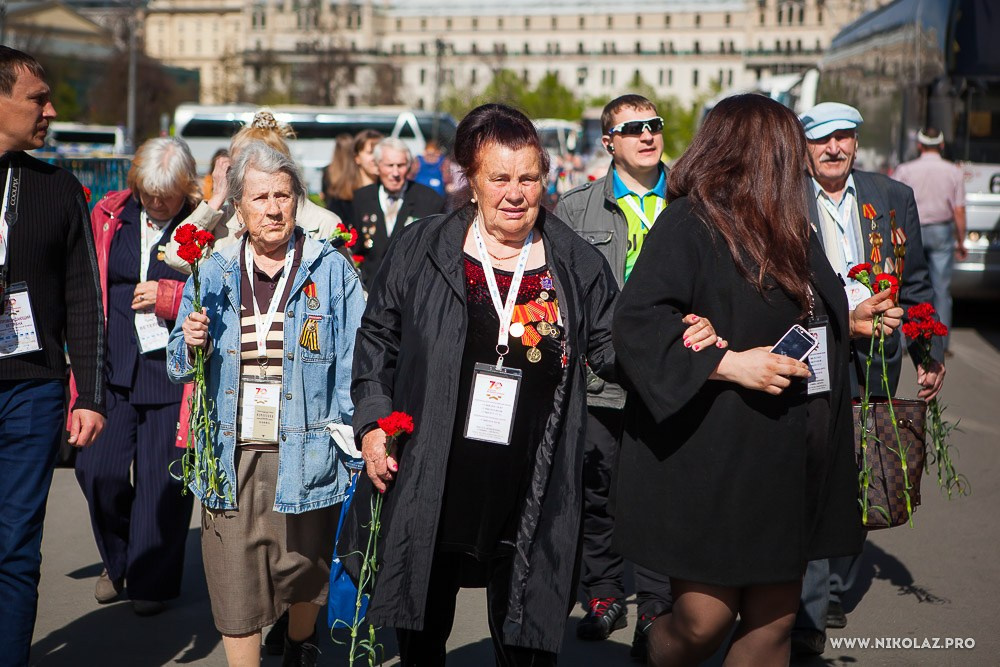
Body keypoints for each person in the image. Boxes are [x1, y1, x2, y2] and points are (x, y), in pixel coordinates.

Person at [338, 103, 720, 665]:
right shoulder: (424, 248)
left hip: (532, 478)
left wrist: (675, 340)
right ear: (471, 181)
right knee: (421, 630)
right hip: (433, 467)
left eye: (528, 178)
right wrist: (373, 425)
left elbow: (612, 348)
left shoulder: (574, 261)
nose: (515, 193)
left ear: (545, 179)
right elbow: (378, 341)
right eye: (499, 178)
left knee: (525, 638)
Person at [611, 94, 903, 666]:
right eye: (788, 146)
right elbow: (637, 324)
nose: (800, 157)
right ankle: (651, 651)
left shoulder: (790, 223)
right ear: (758, 152)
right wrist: (729, 364)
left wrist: (851, 319)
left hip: (792, 454)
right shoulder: (689, 223)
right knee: (702, 623)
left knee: (773, 626)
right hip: (715, 456)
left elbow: (795, 314)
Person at [167, 141, 365, 667]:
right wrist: (189, 341)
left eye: (283, 195)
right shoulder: (210, 273)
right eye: (260, 197)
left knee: (305, 570)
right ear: (238, 206)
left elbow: (355, 362)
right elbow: (177, 365)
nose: (273, 208)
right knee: (232, 577)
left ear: (299, 199)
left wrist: (358, 438)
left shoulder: (332, 271)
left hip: (306, 448)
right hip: (228, 452)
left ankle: (299, 643)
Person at [793, 102, 945, 656]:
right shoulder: (787, 196)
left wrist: (929, 351)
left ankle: (834, 581)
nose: (833, 149)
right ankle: (808, 608)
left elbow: (919, 285)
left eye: (843, 138)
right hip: (813, 348)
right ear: (804, 147)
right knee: (815, 464)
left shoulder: (891, 197)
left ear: (856, 143)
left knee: (863, 464)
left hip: (877, 352)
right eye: (821, 140)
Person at [555, 94, 676, 660]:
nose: (648, 136)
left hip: (672, 378)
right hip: (598, 380)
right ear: (609, 142)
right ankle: (603, 593)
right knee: (596, 490)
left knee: (658, 491)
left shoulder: (690, 203)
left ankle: (657, 602)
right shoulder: (575, 210)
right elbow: (555, 294)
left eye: (654, 126)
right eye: (633, 129)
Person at [0, 46, 106, 666]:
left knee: (16, 547)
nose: (51, 109)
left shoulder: (57, 188)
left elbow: (84, 301)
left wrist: (88, 393)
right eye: (37, 98)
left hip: (33, 390)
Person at [75, 137, 199, 617]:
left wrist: (169, 295)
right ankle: (121, 556)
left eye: (166, 193)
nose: (157, 201)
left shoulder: (202, 225)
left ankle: (151, 581)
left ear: (184, 187)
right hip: (114, 365)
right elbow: (87, 279)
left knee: (162, 483)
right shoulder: (110, 213)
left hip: (172, 371)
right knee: (97, 470)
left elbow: (219, 288)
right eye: (148, 191)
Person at [163, 111, 342, 275]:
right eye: (236, 168)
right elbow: (176, 256)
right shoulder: (223, 220)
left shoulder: (322, 223)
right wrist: (215, 200)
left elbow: (348, 291)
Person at [892, 127, 966, 352]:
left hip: (911, 230)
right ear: (942, 145)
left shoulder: (905, 170)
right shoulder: (954, 171)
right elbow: (959, 210)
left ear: (920, 145)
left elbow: (893, 203)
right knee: (940, 288)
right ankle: (939, 343)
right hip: (942, 232)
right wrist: (961, 241)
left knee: (906, 285)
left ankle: (904, 341)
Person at [349, 137, 446, 286]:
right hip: (370, 289)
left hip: (411, 290)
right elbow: (357, 248)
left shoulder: (429, 200)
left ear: (409, 166)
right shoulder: (362, 198)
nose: (395, 173)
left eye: (400, 165)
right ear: (377, 166)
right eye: (389, 165)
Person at [321, 133, 360, 221]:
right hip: (354, 217)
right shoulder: (357, 171)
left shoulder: (328, 171)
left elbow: (323, 195)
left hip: (333, 217)